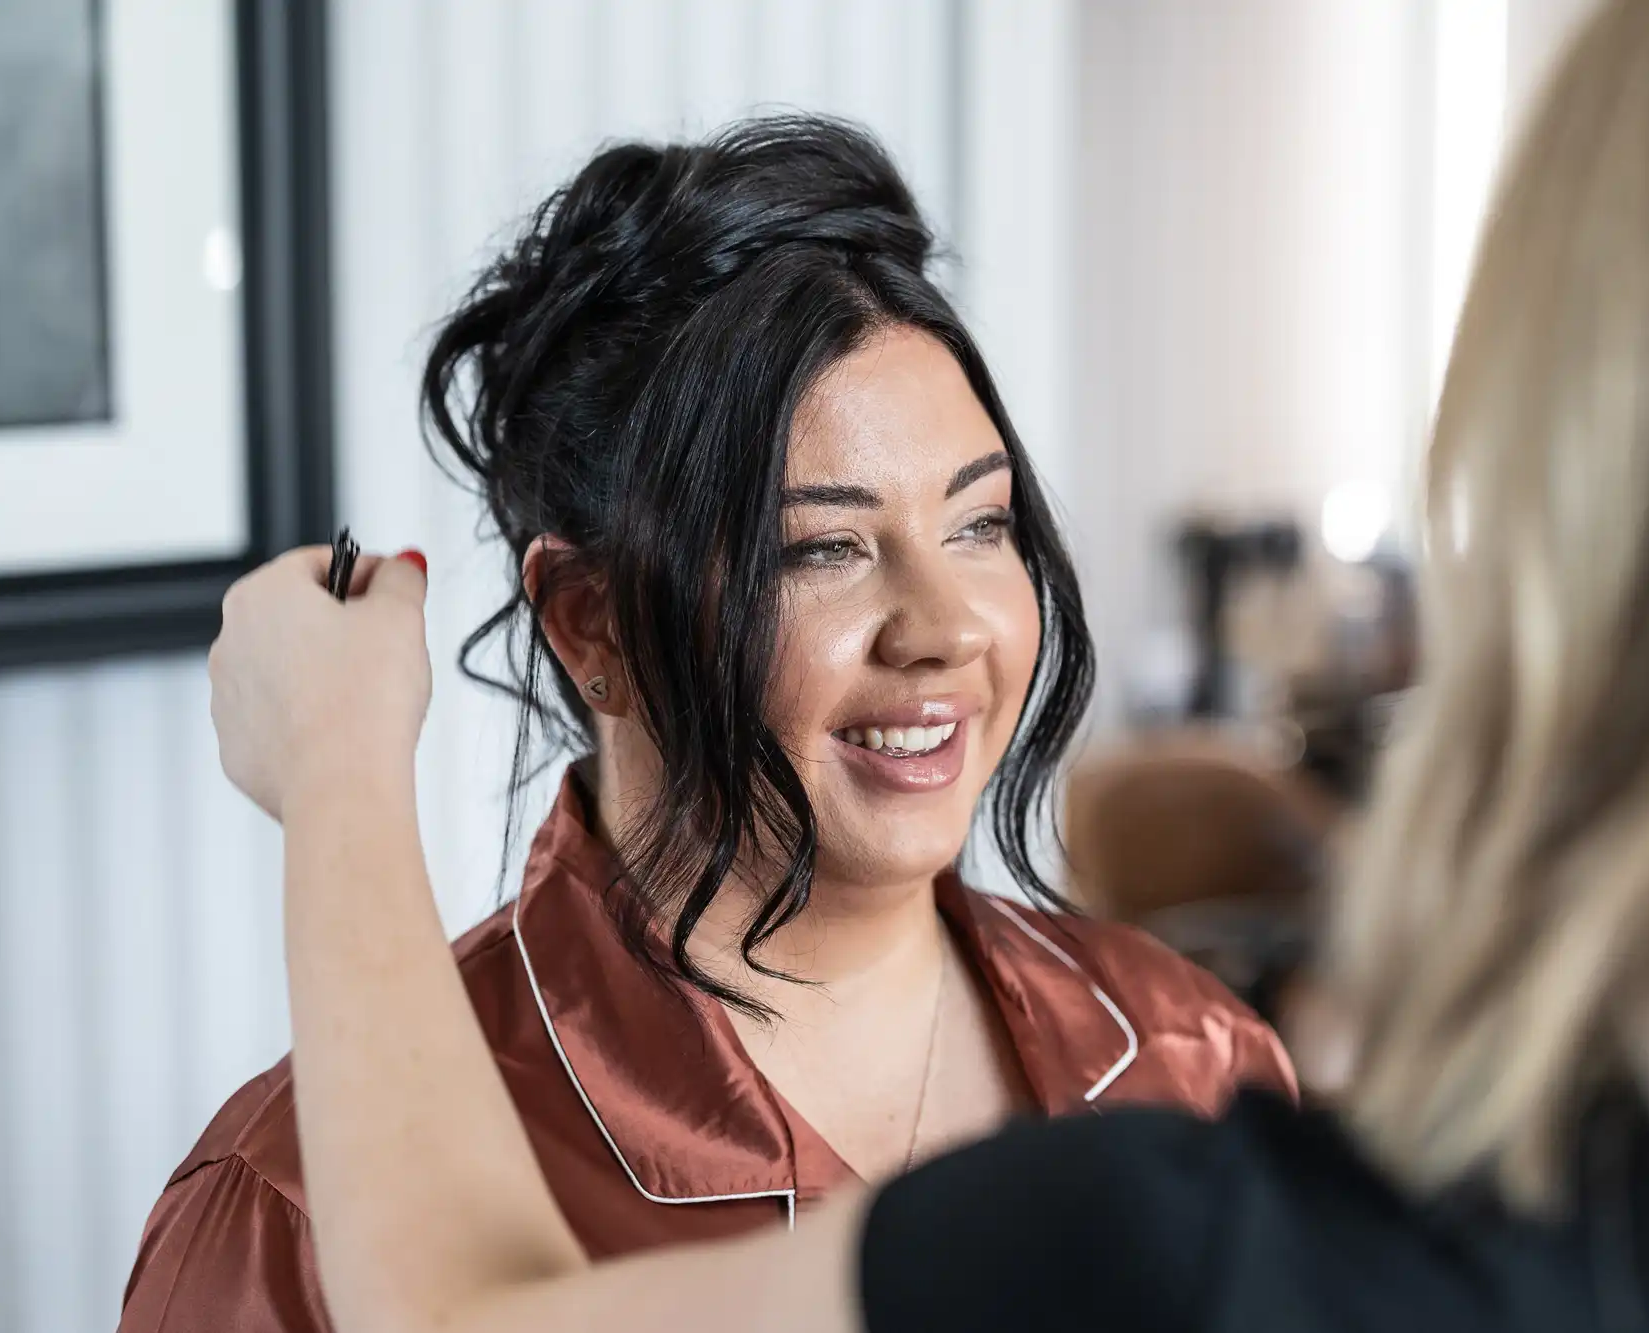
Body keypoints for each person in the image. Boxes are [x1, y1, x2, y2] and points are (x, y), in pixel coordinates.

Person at [123, 117, 1294, 1332]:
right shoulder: (289, 1208)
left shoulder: (1193, 1058)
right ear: (591, 627)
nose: (942, 629)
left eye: (979, 526)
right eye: (822, 548)